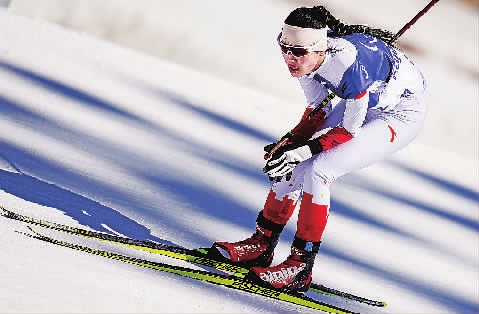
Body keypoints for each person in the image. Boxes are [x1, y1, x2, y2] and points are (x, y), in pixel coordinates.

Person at [210, 5, 427, 292]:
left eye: (298, 52)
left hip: (397, 115)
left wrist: (303, 149)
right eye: (284, 47)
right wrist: (293, 141)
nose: (289, 57)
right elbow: (317, 109)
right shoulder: (306, 58)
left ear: (318, 49)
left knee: (320, 169)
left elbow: (349, 130)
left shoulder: (347, 69)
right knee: (293, 163)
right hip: (368, 97)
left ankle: (301, 266)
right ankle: (261, 244)